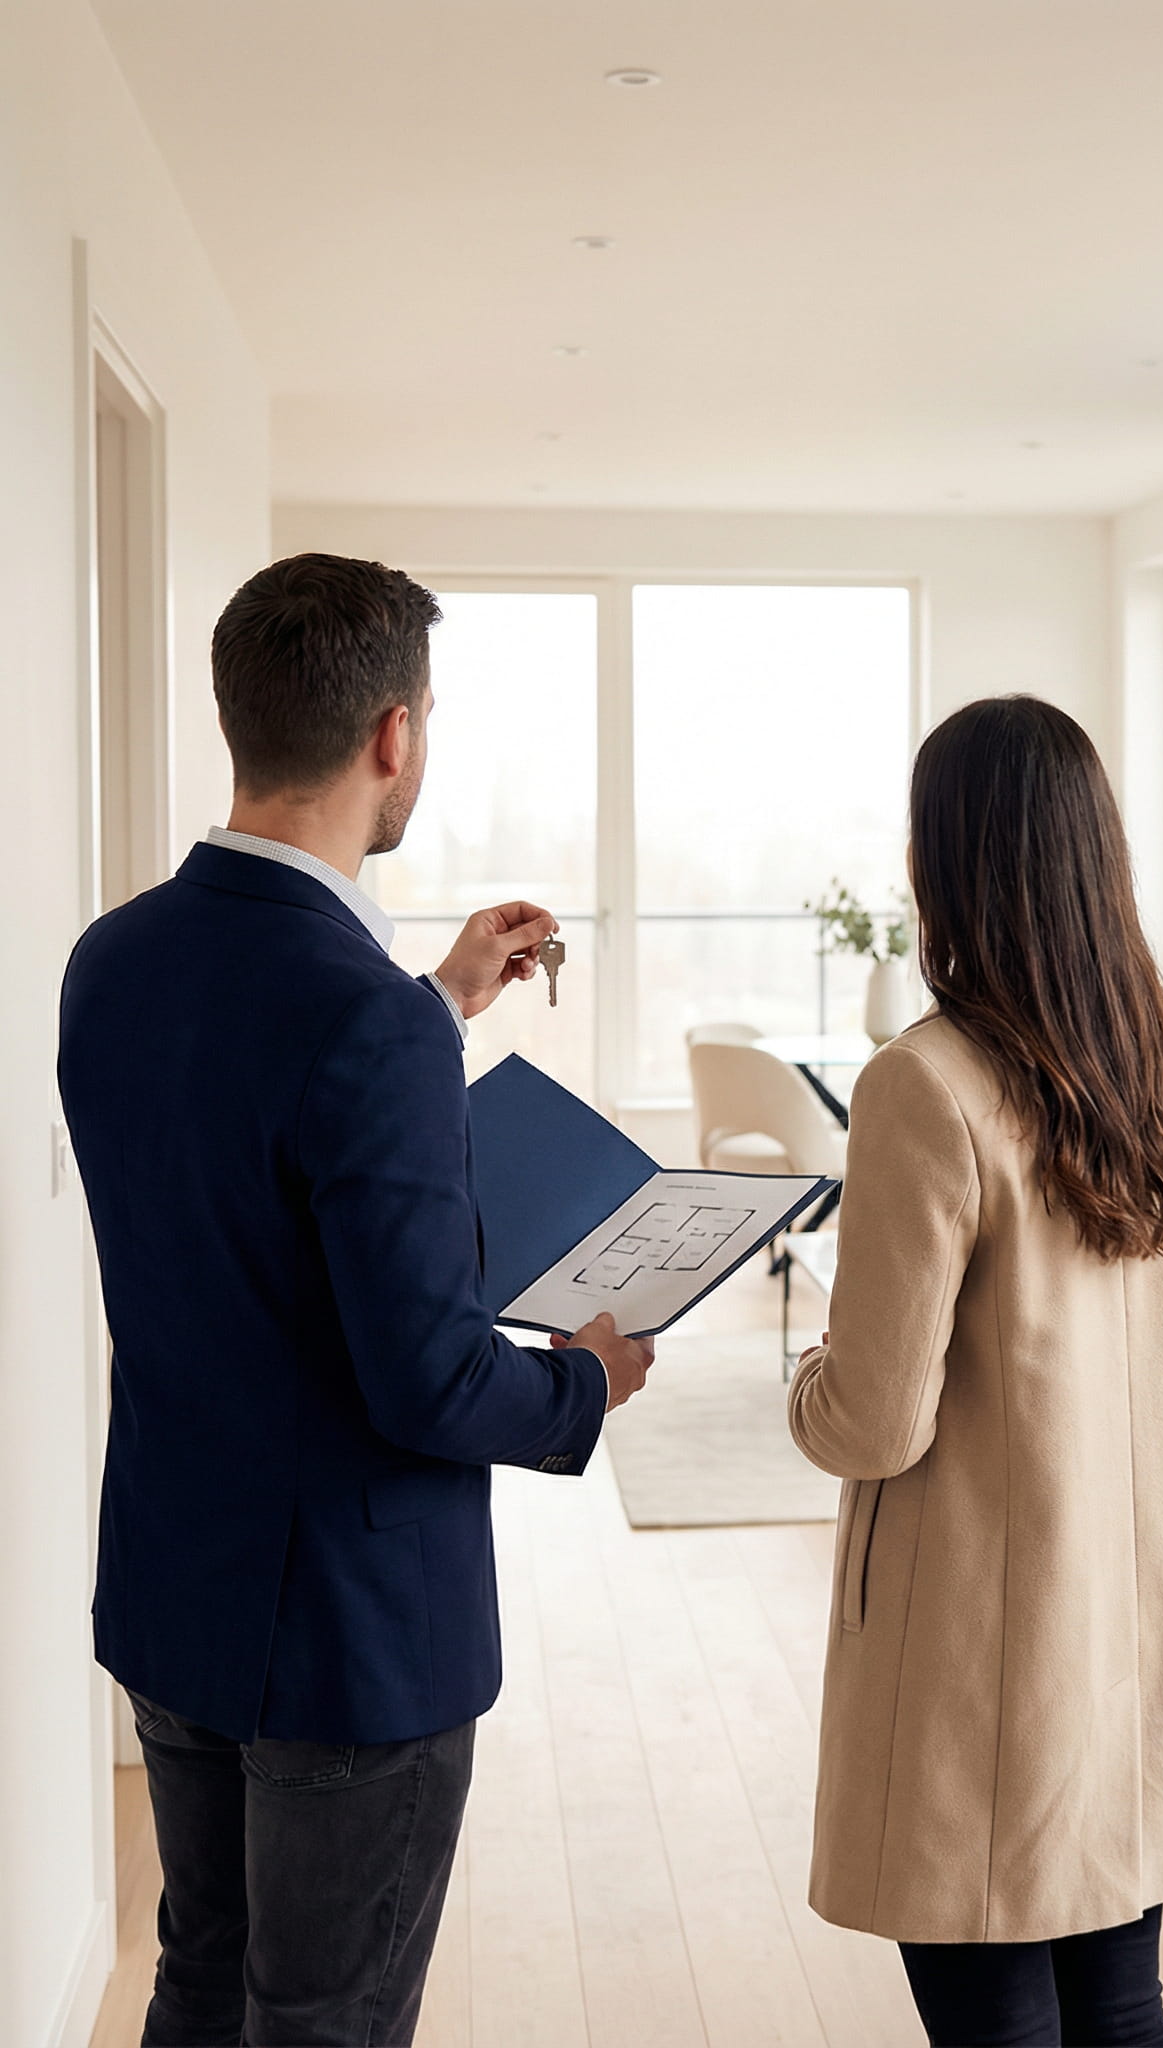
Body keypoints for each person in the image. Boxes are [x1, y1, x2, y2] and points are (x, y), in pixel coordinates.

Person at [57, 553, 656, 2048]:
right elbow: (431, 1382)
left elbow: (247, 1157)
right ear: (394, 733)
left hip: (178, 1587)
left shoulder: (111, 962)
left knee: (199, 1980)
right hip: (345, 1635)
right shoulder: (359, 1014)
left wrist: (440, 1001)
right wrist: (586, 1377)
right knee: (325, 2021)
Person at [787, 695, 1163, 2048]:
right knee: (1121, 2001)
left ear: (948, 865)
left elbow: (871, 1421)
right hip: (1139, 1624)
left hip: (984, 1652)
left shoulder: (923, 1085)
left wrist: (805, 1378)